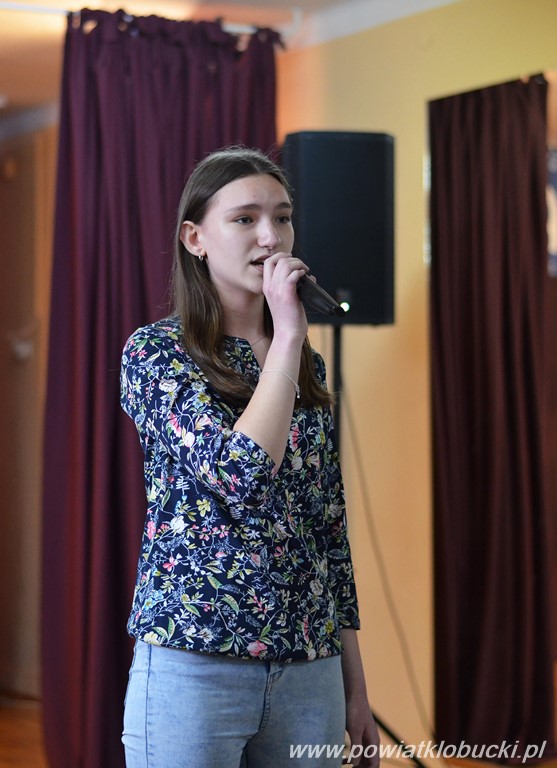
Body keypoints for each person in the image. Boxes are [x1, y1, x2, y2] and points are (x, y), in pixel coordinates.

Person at [120, 145, 380, 768]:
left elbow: (328, 530)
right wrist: (287, 336)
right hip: (195, 657)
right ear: (195, 239)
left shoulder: (306, 365)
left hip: (310, 667)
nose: (271, 236)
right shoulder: (157, 354)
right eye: (245, 219)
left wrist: (355, 689)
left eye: (282, 217)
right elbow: (240, 474)